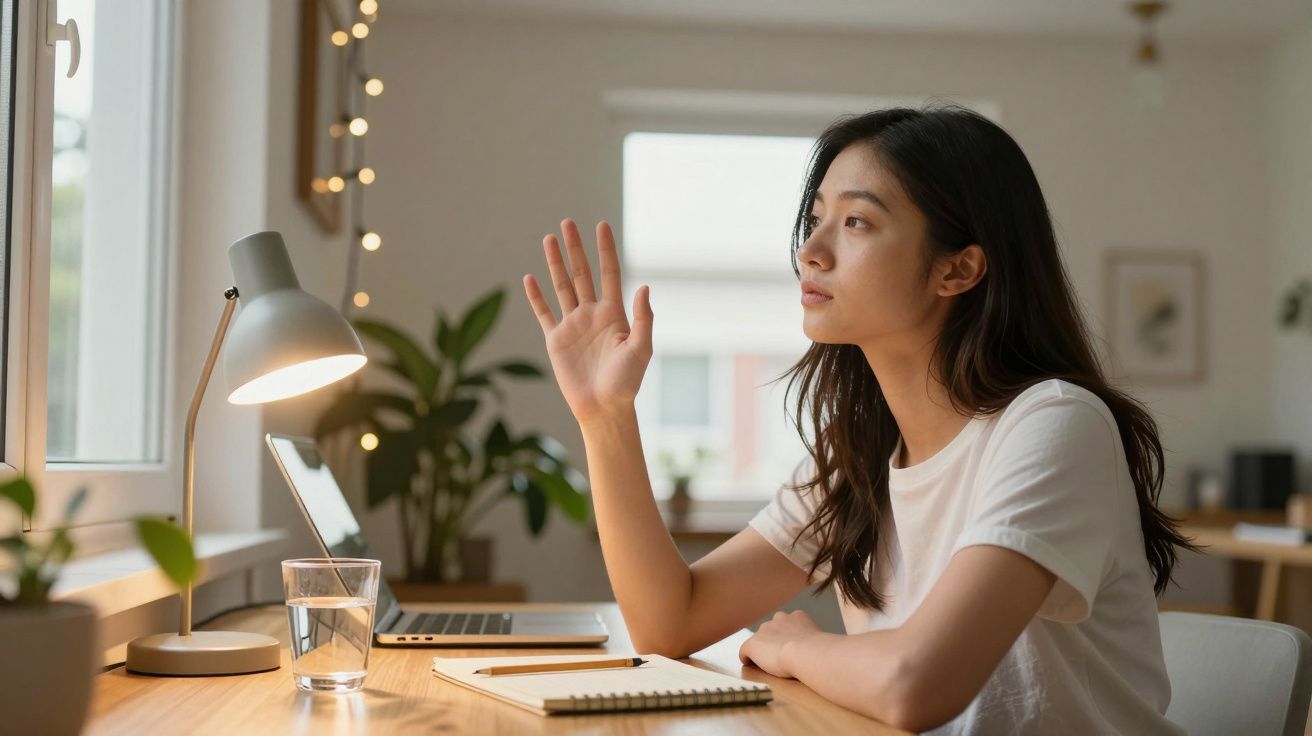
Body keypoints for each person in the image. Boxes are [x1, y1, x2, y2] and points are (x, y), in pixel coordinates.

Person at [521, 105, 1191, 734]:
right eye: (815, 219)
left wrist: (801, 646)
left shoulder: (1054, 425)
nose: (810, 250)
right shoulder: (861, 456)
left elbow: (915, 684)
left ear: (958, 269)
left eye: (857, 222)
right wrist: (606, 416)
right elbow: (671, 622)